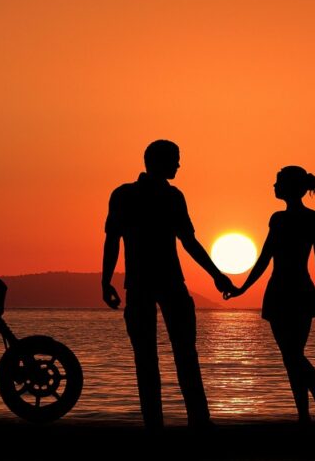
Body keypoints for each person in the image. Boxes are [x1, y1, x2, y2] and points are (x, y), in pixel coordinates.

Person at [101, 139, 236, 429]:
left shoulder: (128, 195)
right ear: (159, 161)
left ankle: (160, 422)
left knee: (151, 356)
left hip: (146, 284)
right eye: (175, 159)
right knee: (181, 353)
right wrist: (216, 275)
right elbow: (187, 241)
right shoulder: (166, 197)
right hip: (162, 283)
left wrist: (106, 282)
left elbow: (113, 240)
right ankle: (196, 421)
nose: (179, 165)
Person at [226, 165, 315, 424]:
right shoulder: (281, 218)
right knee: (291, 356)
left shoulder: (309, 219)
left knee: (293, 355)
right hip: (285, 292)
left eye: (278, 182)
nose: (274, 186)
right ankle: (306, 414)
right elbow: (265, 258)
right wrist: (243, 288)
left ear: (291, 187)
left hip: (293, 292)